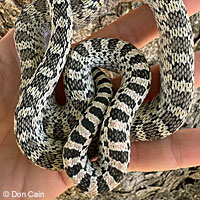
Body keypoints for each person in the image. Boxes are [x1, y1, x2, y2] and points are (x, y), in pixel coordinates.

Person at [0, 1, 200, 199]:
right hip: (72, 145)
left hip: (87, 143)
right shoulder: (42, 26)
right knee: (77, 59)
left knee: (90, 62)